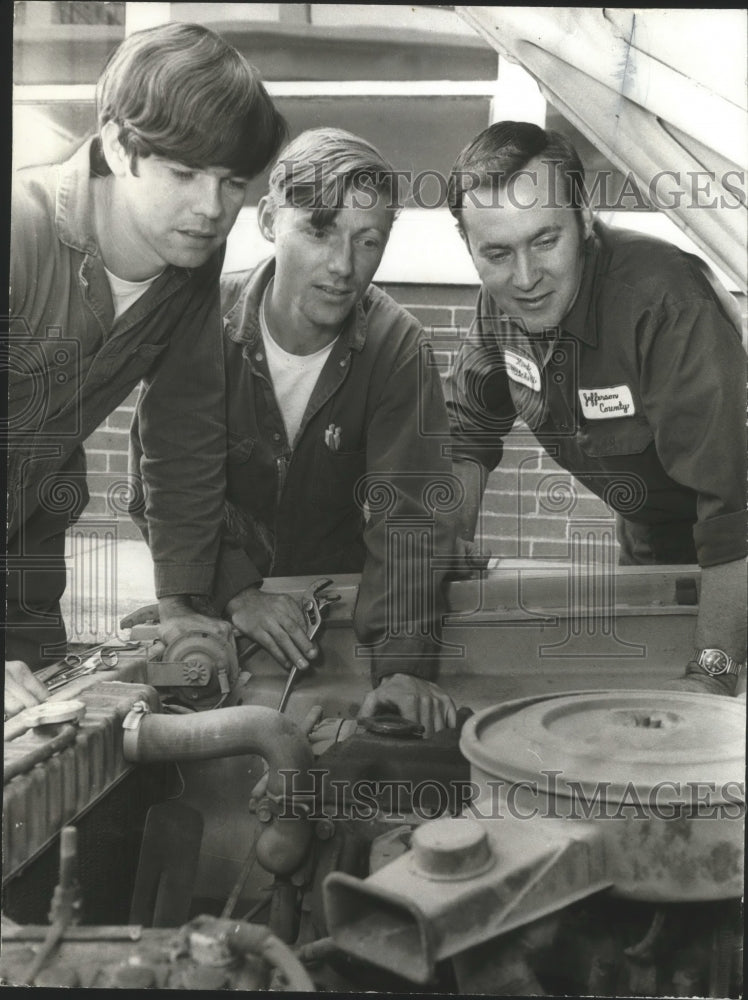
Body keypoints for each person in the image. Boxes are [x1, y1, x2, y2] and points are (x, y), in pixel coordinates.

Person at [132, 127, 458, 734]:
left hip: (332, 622)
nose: (342, 266)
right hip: (215, 611)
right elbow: (155, 482)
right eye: (318, 229)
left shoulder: (399, 349)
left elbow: (410, 522)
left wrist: (402, 667)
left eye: (368, 241)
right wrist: (236, 592)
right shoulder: (196, 319)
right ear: (268, 221)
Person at [5, 22, 286, 718]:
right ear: (117, 145)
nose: (212, 209)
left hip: (29, 542)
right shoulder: (17, 235)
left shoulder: (190, 260)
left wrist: (182, 602)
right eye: (185, 173)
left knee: (43, 741)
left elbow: (184, 431)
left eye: (231, 183)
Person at [446, 121, 746, 696]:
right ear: (468, 245)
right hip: (653, 541)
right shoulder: (498, 303)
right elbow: (467, 436)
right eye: (498, 253)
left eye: (544, 241)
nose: (527, 278)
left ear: (583, 218)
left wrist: (714, 670)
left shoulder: (665, 304)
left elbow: (735, 516)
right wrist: (449, 539)